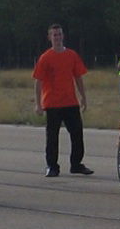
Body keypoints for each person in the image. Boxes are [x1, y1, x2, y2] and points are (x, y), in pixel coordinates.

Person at [33, 24, 92, 176]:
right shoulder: (45, 58)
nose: (57, 37)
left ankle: (76, 164)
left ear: (63, 36)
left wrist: (83, 98)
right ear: (49, 38)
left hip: (70, 102)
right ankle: (52, 166)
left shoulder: (72, 55)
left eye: (59, 34)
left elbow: (78, 77)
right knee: (52, 136)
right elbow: (38, 81)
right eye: (54, 35)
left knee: (77, 134)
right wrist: (38, 104)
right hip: (52, 104)